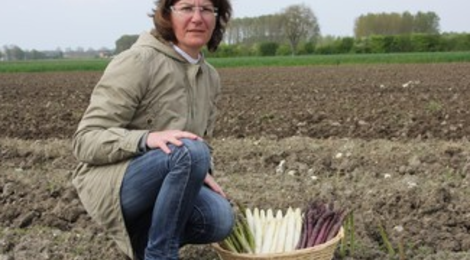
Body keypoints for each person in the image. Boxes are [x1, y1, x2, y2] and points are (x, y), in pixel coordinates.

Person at [71, 0, 234, 259]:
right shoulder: (138, 62)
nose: (197, 18)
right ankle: (160, 254)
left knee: (220, 218)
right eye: (186, 8)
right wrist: (147, 139)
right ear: (167, 14)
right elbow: (85, 141)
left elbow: (202, 141)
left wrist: (202, 168)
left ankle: (143, 243)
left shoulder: (210, 77)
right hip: (114, 183)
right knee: (190, 151)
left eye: (206, 9)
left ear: (217, 18)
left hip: (174, 172)